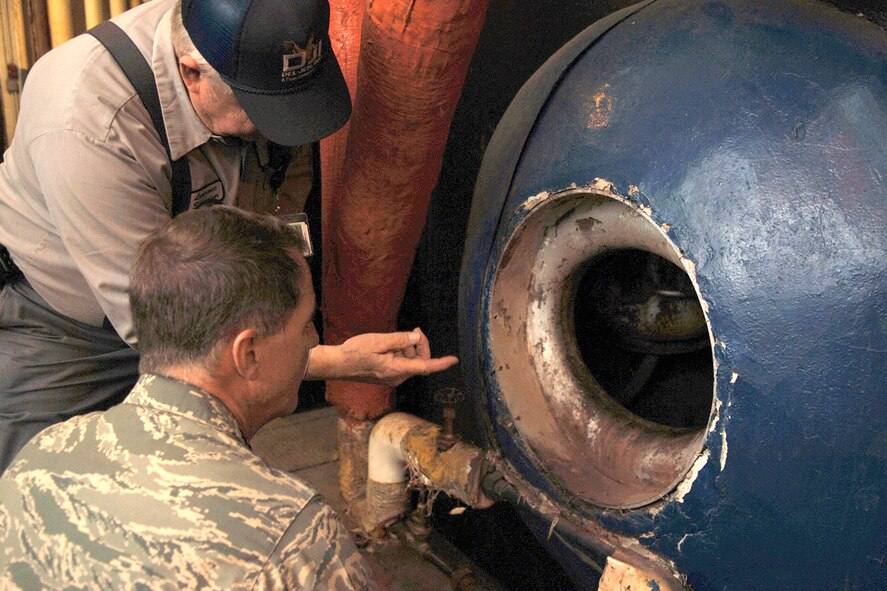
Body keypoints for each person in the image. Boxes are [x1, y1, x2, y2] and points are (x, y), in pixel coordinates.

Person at [0, 0, 450, 471]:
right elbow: (169, 330)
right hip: (68, 333)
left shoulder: (260, 69)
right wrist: (331, 361)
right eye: (261, 109)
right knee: (41, 493)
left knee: (197, 495)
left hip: (205, 317)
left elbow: (276, 222)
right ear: (191, 73)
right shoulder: (88, 120)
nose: (277, 129)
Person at [0, 206, 421, 588]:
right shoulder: (291, 537)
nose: (313, 339)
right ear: (248, 353)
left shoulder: (39, 458)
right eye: (306, 323)